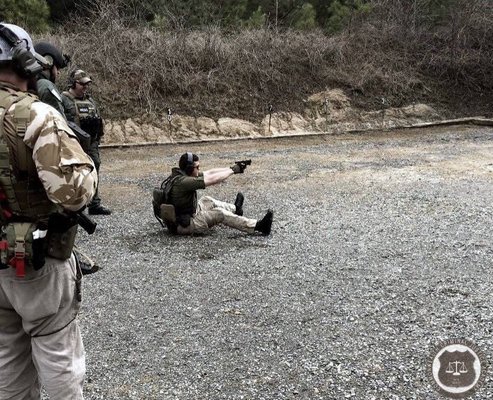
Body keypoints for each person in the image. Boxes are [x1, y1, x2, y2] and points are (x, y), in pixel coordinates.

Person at [0, 22, 97, 398]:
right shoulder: (36, 116)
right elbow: (75, 193)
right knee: (58, 355)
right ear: (26, 64)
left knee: (7, 358)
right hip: (38, 263)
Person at [165, 152, 273, 235]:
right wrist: (233, 171)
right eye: (197, 167)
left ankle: (236, 209)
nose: (199, 169)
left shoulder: (180, 176)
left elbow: (209, 173)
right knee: (219, 214)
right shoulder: (184, 182)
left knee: (207, 200)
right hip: (186, 224)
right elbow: (213, 179)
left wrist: (231, 168)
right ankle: (258, 226)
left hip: (187, 214)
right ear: (188, 169)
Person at [61, 69, 111, 215]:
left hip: (91, 143)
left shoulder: (90, 101)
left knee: (95, 167)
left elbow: (98, 120)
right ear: (73, 83)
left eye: (87, 84)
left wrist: (97, 138)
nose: (85, 87)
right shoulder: (64, 99)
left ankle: (94, 203)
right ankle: (73, 204)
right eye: (82, 84)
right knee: (73, 173)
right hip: (73, 143)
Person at [33, 41, 70, 116]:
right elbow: (59, 121)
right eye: (57, 68)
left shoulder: (27, 83)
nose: (58, 73)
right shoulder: (46, 86)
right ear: (48, 62)